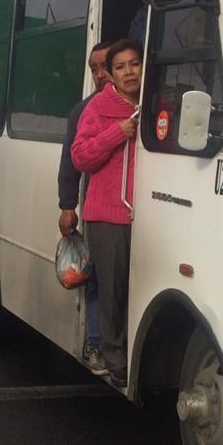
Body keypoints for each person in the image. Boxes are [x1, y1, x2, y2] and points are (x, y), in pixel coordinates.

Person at [70, 39, 143, 387]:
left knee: (139, 291)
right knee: (112, 293)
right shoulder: (99, 108)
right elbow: (80, 157)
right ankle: (116, 362)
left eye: (135, 64)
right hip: (108, 218)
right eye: (121, 67)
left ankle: (136, 356)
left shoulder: (156, 104)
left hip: (148, 215)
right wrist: (118, 133)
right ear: (111, 75)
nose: (129, 72)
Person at [58, 42, 110, 373]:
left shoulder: (141, 107)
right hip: (96, 207)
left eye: (106, 66)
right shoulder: (85, 110)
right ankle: (95, 342)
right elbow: (70, 163)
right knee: (96, 277)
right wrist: (67, 206)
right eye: (94, 69)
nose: (100, 75)